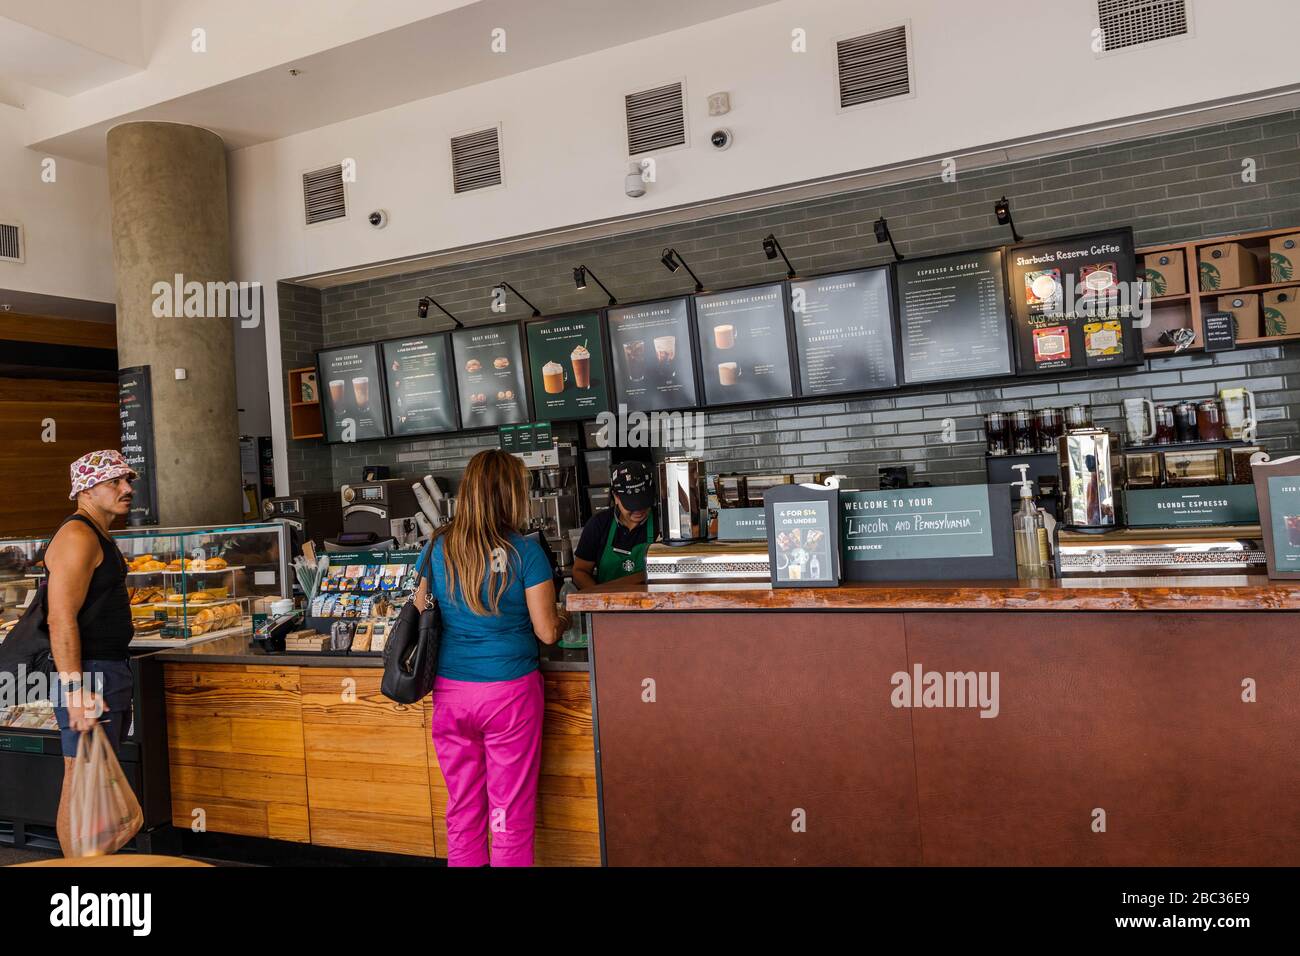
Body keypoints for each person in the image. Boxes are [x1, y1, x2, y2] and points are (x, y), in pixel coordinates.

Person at [414, 449, 570, 866]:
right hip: (509, 696)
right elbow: (546, 631)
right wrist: (566, 617)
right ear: (512, 495)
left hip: (451, 695)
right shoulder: (525, 553)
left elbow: (419, 611)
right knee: (507, 814)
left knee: (462, 809)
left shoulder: (437, 549)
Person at [46, 450, 137, 856]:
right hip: (91, 674)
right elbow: (60, 618)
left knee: (90, 777)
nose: (127, 488)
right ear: (86, 488)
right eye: (115, 481)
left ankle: (89, 872)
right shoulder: (78, 535)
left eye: (127, 479)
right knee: (82, 777)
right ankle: (81, 880)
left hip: (103, 671)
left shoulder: (95, 533)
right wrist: (75, 689)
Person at [572, 460, 656, 590]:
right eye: (632, 505)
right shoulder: (599, 525)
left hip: (655, 606)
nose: (638, 510)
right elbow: (579, 572)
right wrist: (601, 598)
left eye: (643, 503)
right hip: (607, 607)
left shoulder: (662, 523)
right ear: (616, 497)